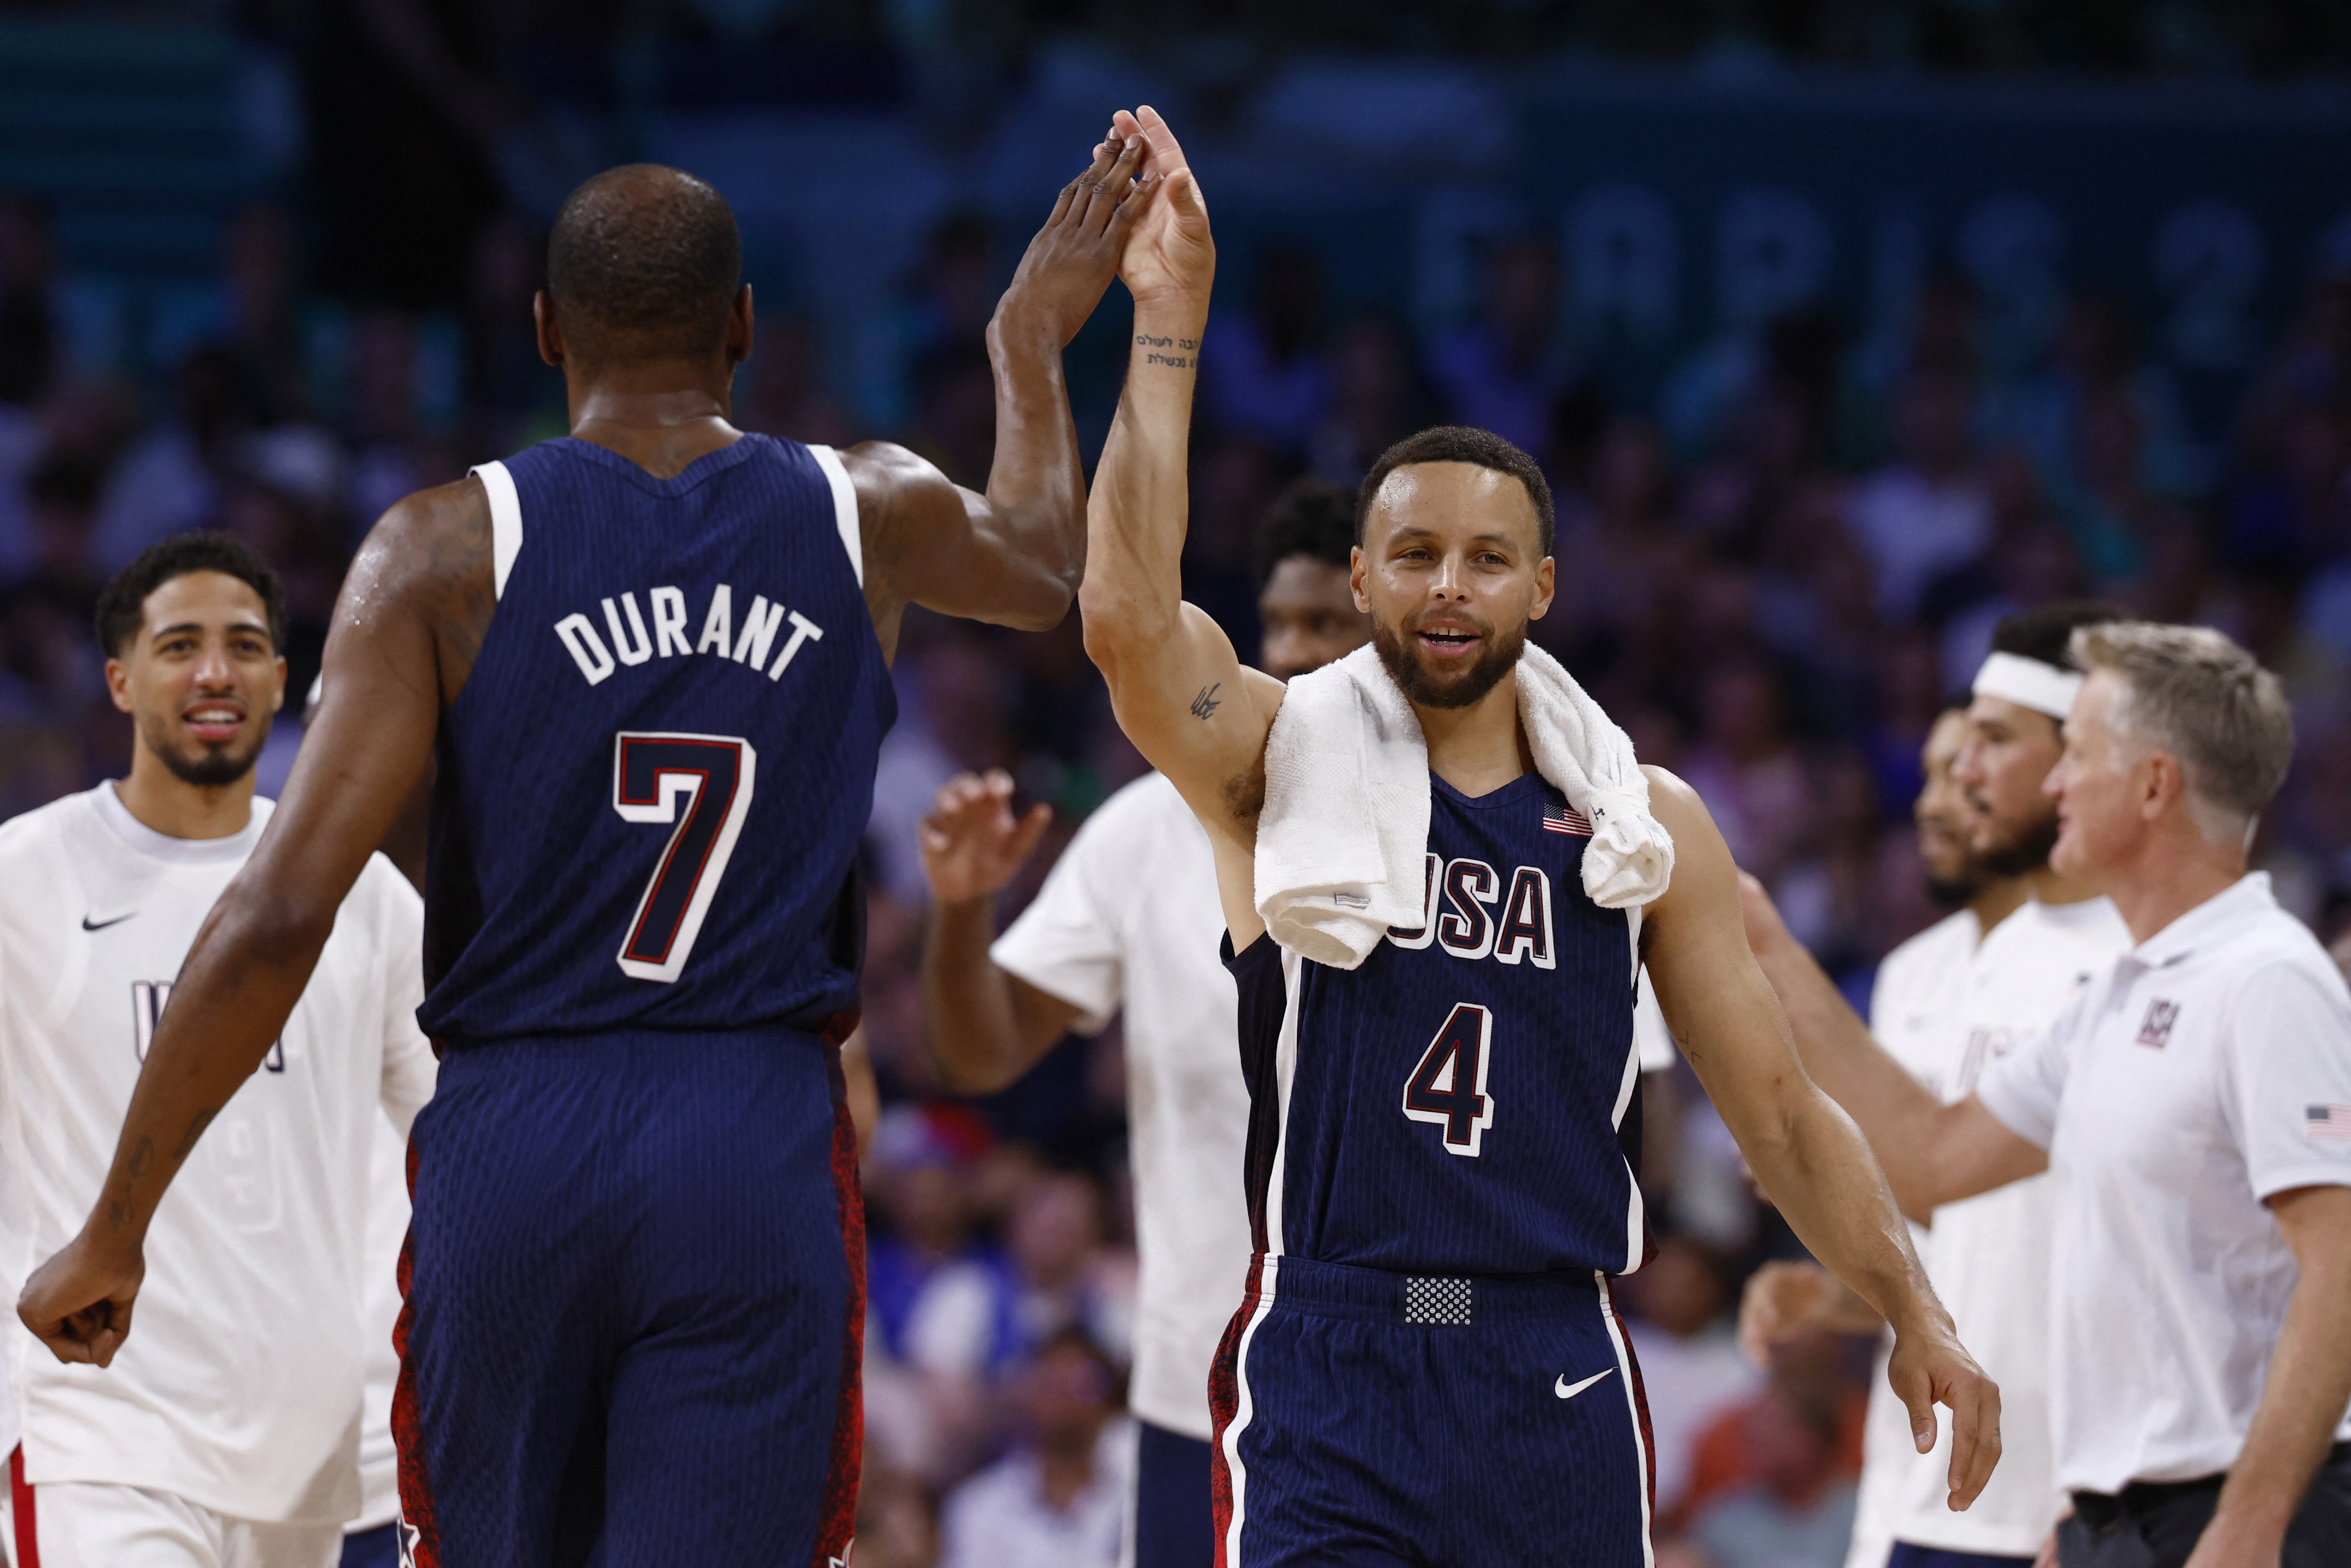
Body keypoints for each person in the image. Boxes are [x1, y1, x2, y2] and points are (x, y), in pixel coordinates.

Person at [17, 142, 1147, 1568]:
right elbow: (1044, 564)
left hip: (519, 1132)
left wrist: (117, 1224)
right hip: (752, 1135)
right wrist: (1027, 339)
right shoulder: (866, 506)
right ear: (742, 325)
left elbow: (278, 910)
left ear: (546, 328)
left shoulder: (439, 548)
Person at [1074, 106, 1997, 1567]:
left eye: (1486, 559)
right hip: (1332, 1349)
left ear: (1543, 587)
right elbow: (1128, 625)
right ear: (1362, 579)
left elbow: (1777, 1113)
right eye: (1416, 556)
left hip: (1550, 1359)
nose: (1449, 587)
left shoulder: (1644, 824)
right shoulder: (1273, 758)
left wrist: (1915, 1308)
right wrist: (1169, 324)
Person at [1741, 621, 2351, 1568]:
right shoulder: (2122, 992)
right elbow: (1929, 1156)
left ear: (2154, 785)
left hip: (2242, 1509)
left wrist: (2252, 1519)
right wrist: (1763, 941)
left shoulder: (2268, 978)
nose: (2057, 784)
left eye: (2079, 755)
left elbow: (2341, 1262)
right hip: (2119, 1512)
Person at [916, 477, 1369, 1567]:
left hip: (1392, 1386)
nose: (1299, 653)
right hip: (1192, 1393)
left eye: (1331, 626)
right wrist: (962, 911)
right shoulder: (1144, 830)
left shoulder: (1465, 833)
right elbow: (980, 1051)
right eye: (1282, 624)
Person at [0, 533, 435, 1568]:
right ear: (119, 679)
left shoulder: (362, 895)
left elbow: (451, 1130)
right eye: (179, 645)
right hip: (93, 1435)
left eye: (243, 647)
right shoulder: (24, 876)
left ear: (283, 681)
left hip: (310, 1458)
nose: (214, 672)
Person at [1743, 604, 2136, 1568]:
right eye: (1937, 766)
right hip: (1920, 1484)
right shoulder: (1945, 964)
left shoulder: (2139, 959)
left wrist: (1754, 934)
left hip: (2062, 1494)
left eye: (1988, 746)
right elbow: (1944, 1226)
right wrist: (1835, 1283)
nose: (1947, 787)